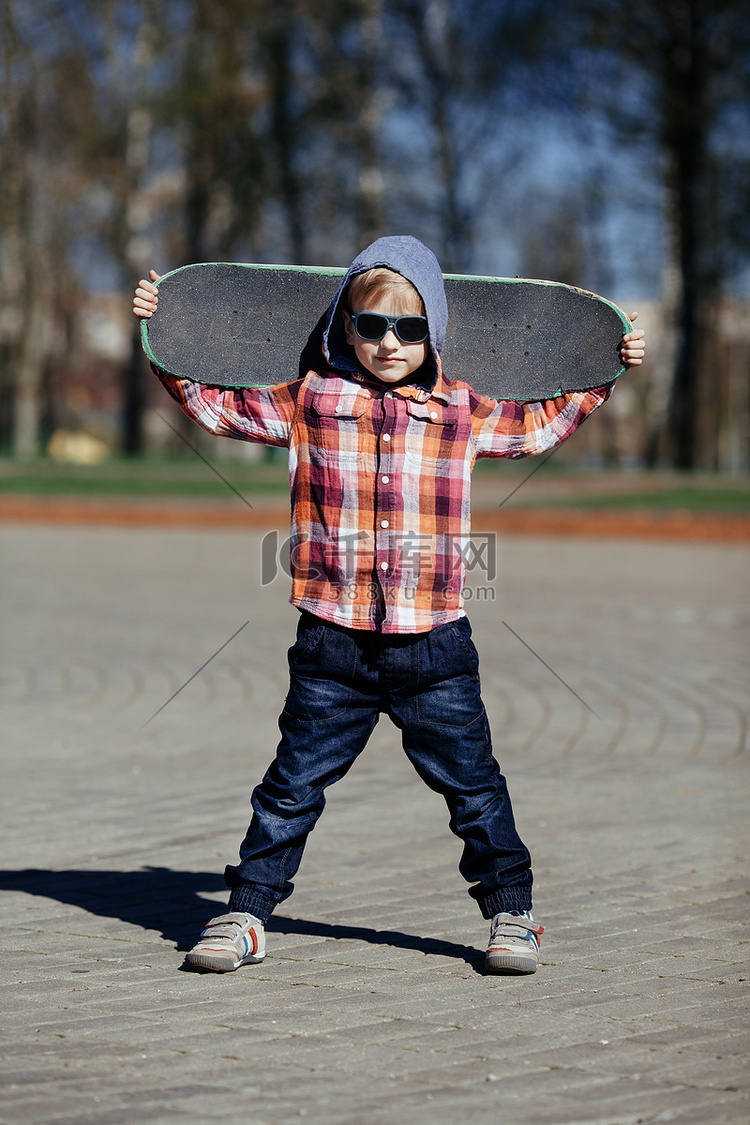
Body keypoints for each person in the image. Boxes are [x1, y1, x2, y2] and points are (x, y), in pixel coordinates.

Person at [133, 236, 645, 975]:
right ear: (347, 326)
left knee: (474, 788)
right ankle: (246, 912)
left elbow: (540, 425)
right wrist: (163, 334)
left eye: (408, 329)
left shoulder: (461, 409)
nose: (389, 343)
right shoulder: (312, 398)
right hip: (330, 645)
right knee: (290, 787)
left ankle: (513, 915)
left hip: (432, 646)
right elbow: (217, 408)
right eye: (372, 326)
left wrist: (607, 372)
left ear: (433, 331)